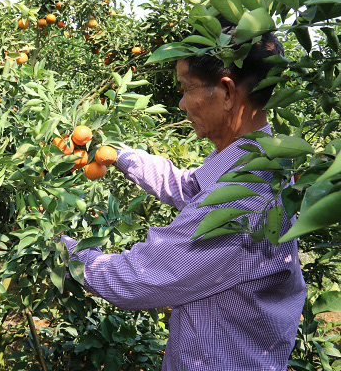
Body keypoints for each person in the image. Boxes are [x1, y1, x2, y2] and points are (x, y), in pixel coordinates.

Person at [61, 23, 307, 370]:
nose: (180, 102)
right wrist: (116, 154)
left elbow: (134, 278)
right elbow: (190, 189)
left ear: (225, 93)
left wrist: (57, 247)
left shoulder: (243, 200)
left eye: (187, 88)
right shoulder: (260, 160)